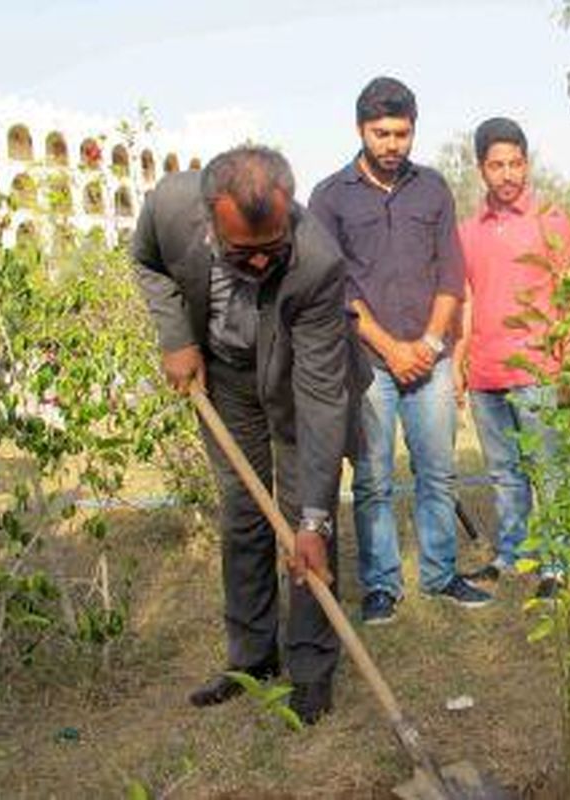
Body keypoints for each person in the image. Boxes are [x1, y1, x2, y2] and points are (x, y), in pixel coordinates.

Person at [133, 145, 366, 724]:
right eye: (244, 252)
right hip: (226, 379)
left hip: (293, 382)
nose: (261, 264)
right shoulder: (169, 206)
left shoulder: (316, 260)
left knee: (303, 522)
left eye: (273, 249)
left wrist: (312, 519)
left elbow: (319, 398)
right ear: (210, 220)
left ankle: (310, 668)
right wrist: (175, 339)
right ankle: (253, 657)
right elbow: (148, 263)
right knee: (242, 515)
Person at [309, 76, 492, 626]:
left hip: (430, 361)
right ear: (360, 129)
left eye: (402, 133)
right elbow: (335, 287)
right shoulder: (330, 196)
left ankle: (440, 574)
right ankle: (381, 586)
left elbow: (451, 275)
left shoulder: (433, 188)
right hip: (368, 364)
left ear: (414, 129)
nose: (392, 144)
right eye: (381, 133)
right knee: (372, 480)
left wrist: (431, 344)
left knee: (438, 473)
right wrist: (391, 349)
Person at [453, 117, 570, 599]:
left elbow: (569, 290)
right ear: (481, 169)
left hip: (539, 370)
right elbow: (465, 298)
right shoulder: (467, 233)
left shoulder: (551, 219)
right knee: (504, 473)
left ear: (527, 163)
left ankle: (557, 561)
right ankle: (512, 554)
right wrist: (461, 364)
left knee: (548, 469)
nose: (507, 174)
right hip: (486, 372)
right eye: (496, 165)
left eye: (515, 163)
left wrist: (569, 359)